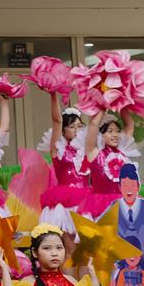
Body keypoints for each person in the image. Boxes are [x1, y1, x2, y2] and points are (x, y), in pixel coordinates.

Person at [38, 101, 92, 237]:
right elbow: (57, 121)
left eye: (80, 126)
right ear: (63, 130)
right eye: (72, 126)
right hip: (65, 203)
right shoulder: (58, 150)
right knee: (68, 243)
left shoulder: (86, 151)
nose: (76, 130)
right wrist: (53, 96)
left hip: (86, 201)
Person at [82, 115, 135, 219]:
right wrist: (102, 108)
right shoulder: (94, 152)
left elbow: (130, 124)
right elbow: (93, 125)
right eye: (110, 131)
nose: (115, 135)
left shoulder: (123, 151)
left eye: (117, 131)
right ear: (100, 134)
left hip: (123, 203)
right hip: (100, 204)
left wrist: (122, 106)